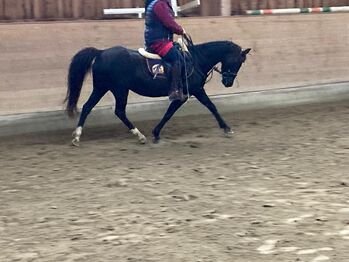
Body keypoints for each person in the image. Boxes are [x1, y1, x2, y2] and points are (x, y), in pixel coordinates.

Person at [144, 0, 186, 101]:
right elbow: (168, 22)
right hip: (158, 42)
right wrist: (180, 30)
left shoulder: (155, 3)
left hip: (158, 39)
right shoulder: (159, 4)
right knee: (177, 58)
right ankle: (174, 91)